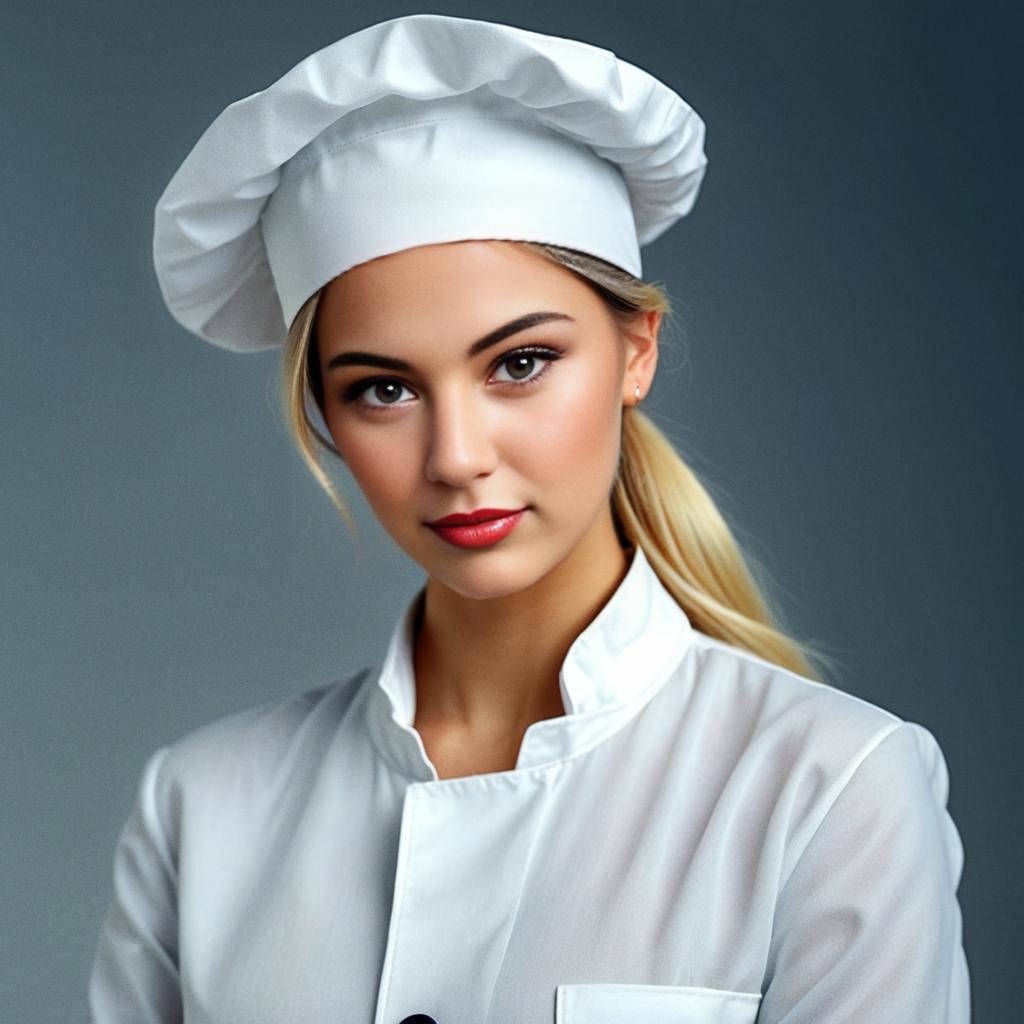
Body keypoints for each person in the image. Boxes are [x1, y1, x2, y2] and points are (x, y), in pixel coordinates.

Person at [88, 13, 971, 1023]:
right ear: (323, 416)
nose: (457, 456)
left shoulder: (828, 789)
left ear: (635, 350)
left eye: (519, 363)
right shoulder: (201, 809)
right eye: (383, 389)